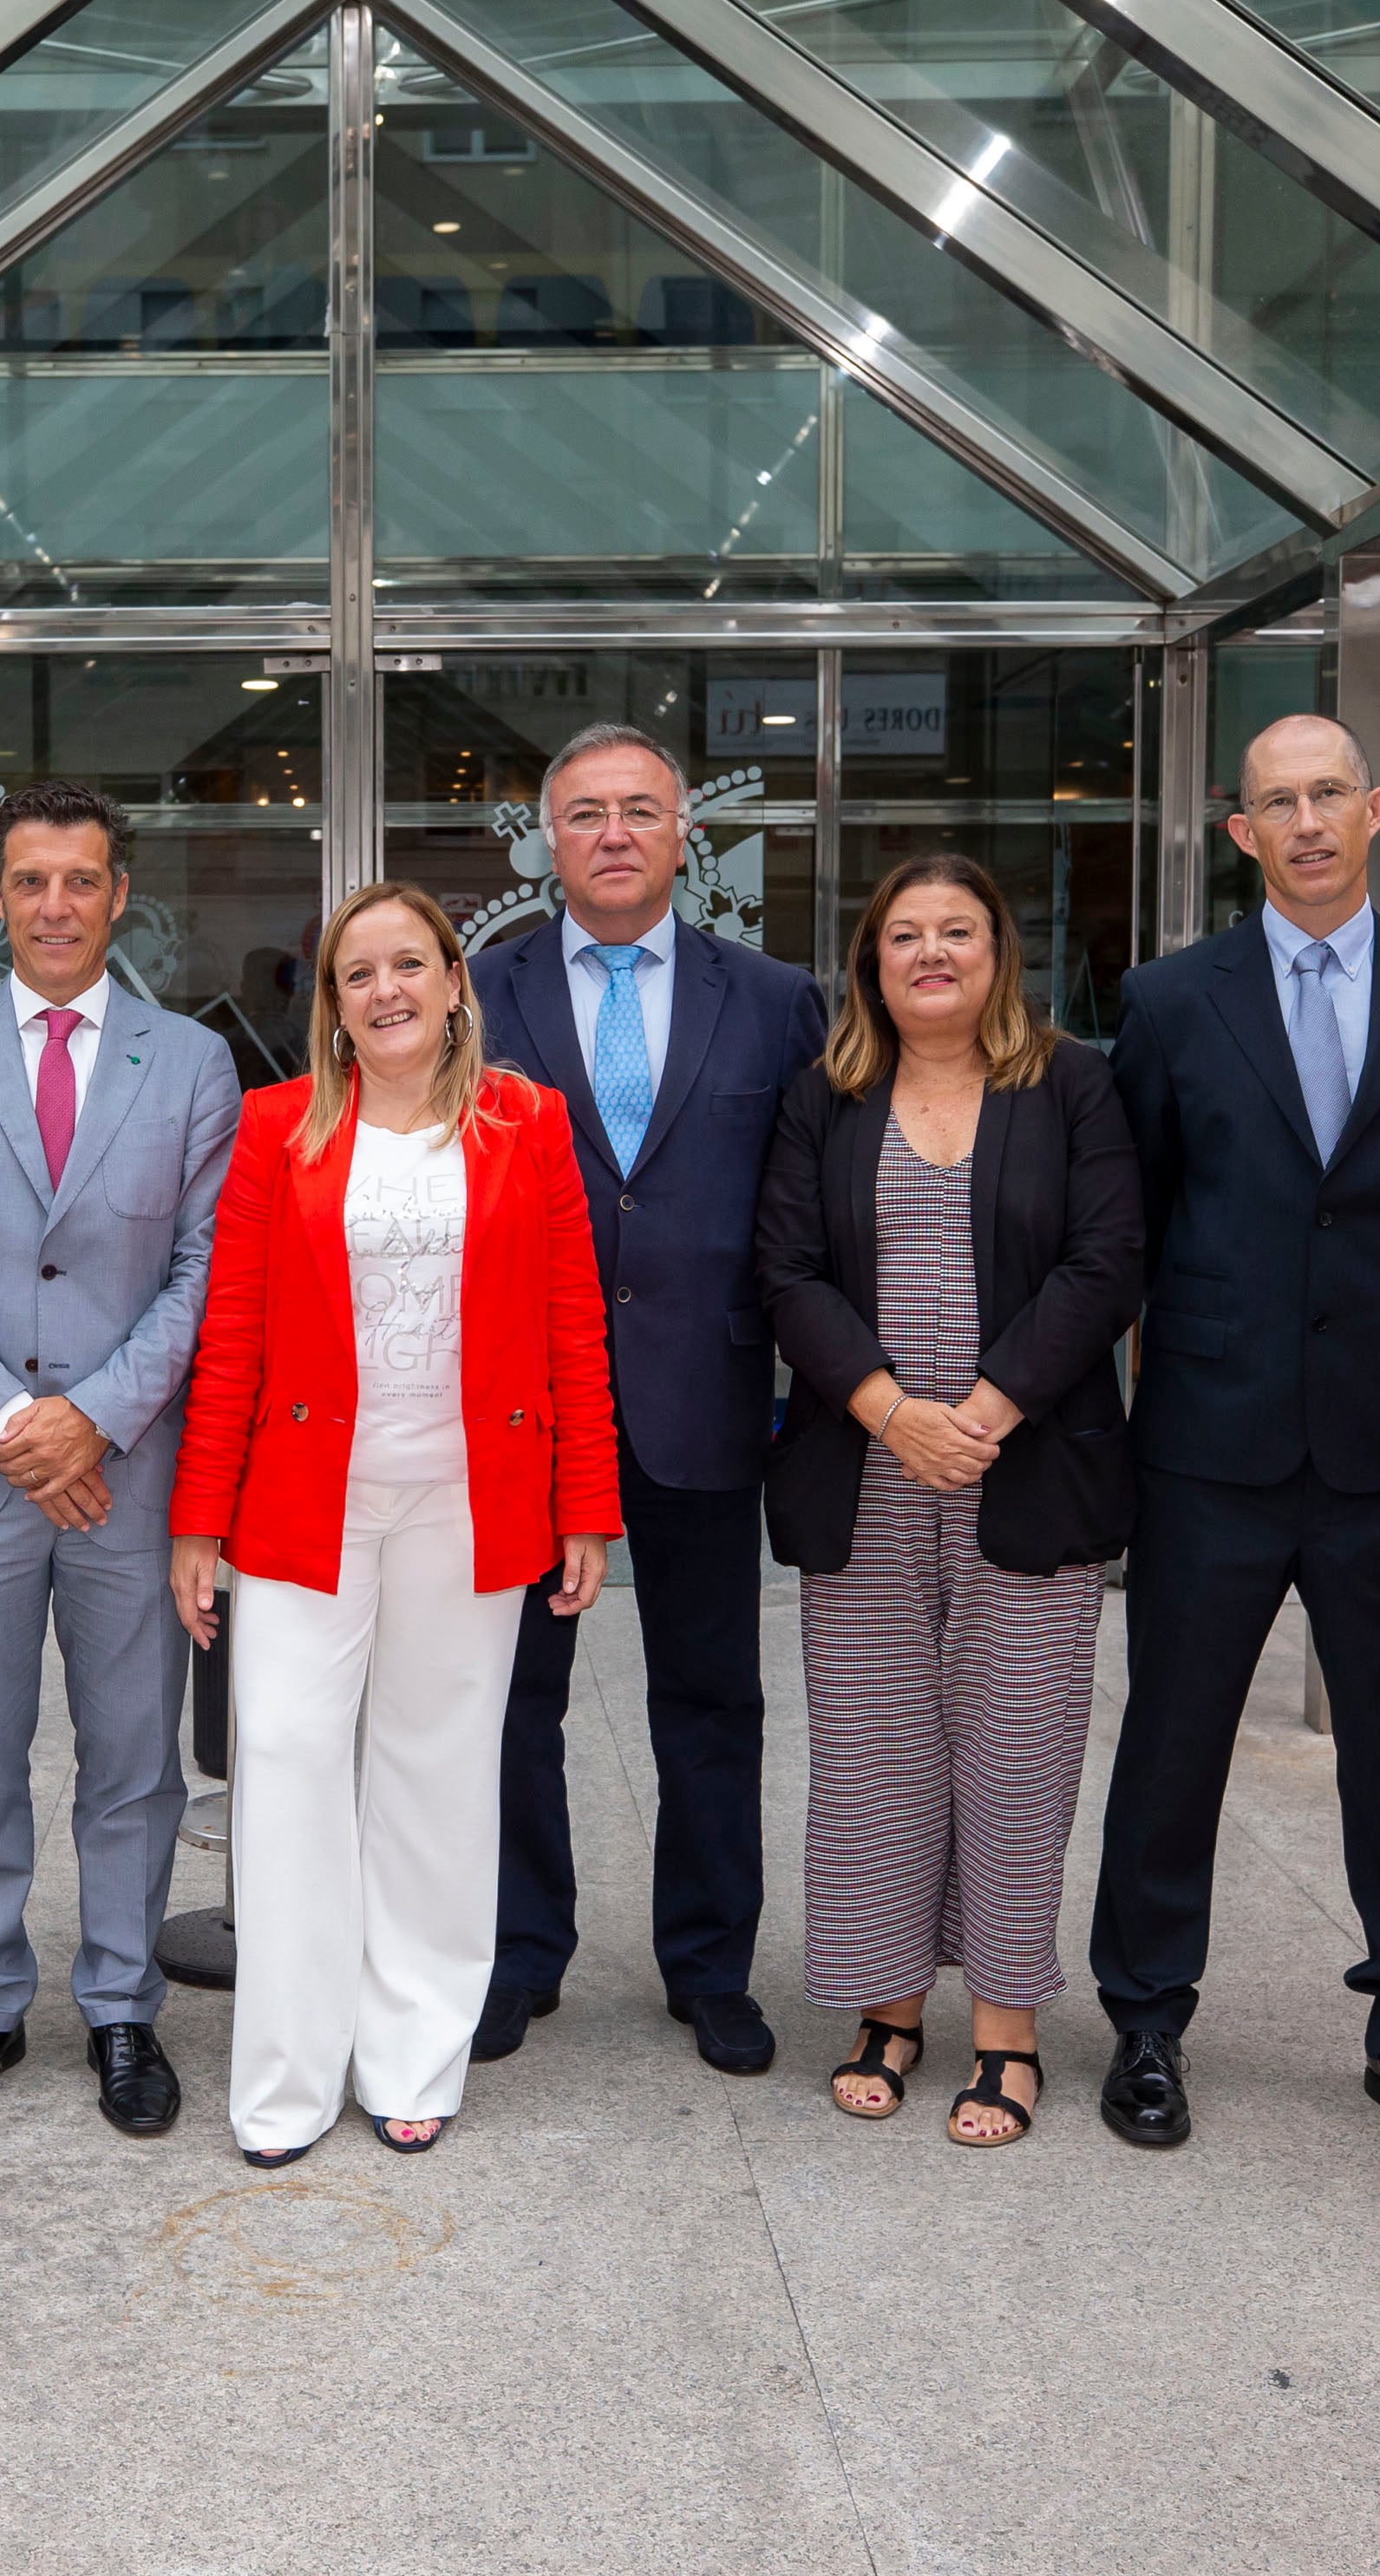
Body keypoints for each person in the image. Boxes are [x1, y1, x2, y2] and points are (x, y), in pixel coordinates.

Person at [1084, 711, 1380, 2169]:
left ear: (1378, 808)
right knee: (1172, 1734)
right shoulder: (1165, 998)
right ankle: (1144, 2016)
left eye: (1331, 791)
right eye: (1279, 799)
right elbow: (1135, 1219)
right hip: (1208, 1437)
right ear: (1241, 833)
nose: (1310, 819)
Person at [171, 884, 617, 2165]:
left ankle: (413, 2051)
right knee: (288, 1757)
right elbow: (232, 1342)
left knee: (435, 1768)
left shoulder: (525, 1123)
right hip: (304, 1503)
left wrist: (584, 1500)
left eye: (407, 964)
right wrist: (197, 1519)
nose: (384, 990)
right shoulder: (276, 1131)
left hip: (469, 1501)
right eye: (355, 974)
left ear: (453, 979)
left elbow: (572, 1324)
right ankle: (289, 2070)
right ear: (330, 1006)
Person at [0, 778, 242, 2137]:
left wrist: (98, 1415)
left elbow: (206, 1268)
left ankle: (125, 2006)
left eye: (81, 880)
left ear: (118, 895)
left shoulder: (190, 1063)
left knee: (134, 1758)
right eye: (30, 880)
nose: (57, 904)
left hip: (132, 1475)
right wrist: (19, 1428)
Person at [755, 856, 1143, 2149]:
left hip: (1021, 1465)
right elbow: (785, 1269)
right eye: (904, 934)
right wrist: (887, 1409)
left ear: (998, 951)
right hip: (860, 1467)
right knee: (875, 1755)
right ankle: (883, 2007)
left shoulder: (1073, 1083)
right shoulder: (825, 1096)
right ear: (871, 961)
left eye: (957, 931)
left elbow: (1106, 1262)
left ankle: (1008, 2027)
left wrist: (979, 1412)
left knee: (1018, 1752)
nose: (930, 953)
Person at [463, 721, 827, 2078]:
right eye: (582, 813)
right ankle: (517, 1951)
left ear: (684, 834)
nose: (611, 833)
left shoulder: (776, 999)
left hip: (706, 1397)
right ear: (543, 838)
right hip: (521, 1407)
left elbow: (811, 1207)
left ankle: (709, 1966)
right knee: (512, 1699)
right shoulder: (473, 993)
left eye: (638, 810)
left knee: (711, 1698)